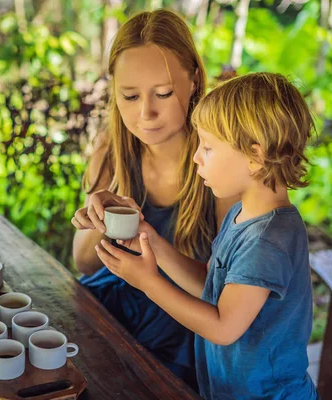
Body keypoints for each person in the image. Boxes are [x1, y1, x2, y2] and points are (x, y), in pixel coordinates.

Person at [96, 72, 320, 399]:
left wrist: (147, 282)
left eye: (208, 147)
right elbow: (212, 287)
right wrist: (152, 243)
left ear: (256, 158)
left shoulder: (268, 239)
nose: (197, 156)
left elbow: (222, 326)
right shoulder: (242, 215)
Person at [71, 9, 237, 389]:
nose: (146, 114)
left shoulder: (221, 163)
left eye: (163, 93)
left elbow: (220, 296)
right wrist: (105, 211)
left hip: (185, 332)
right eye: (129, 96)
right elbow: (82, 262)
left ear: (194, 80)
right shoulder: (111, 148)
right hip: (111, 312)